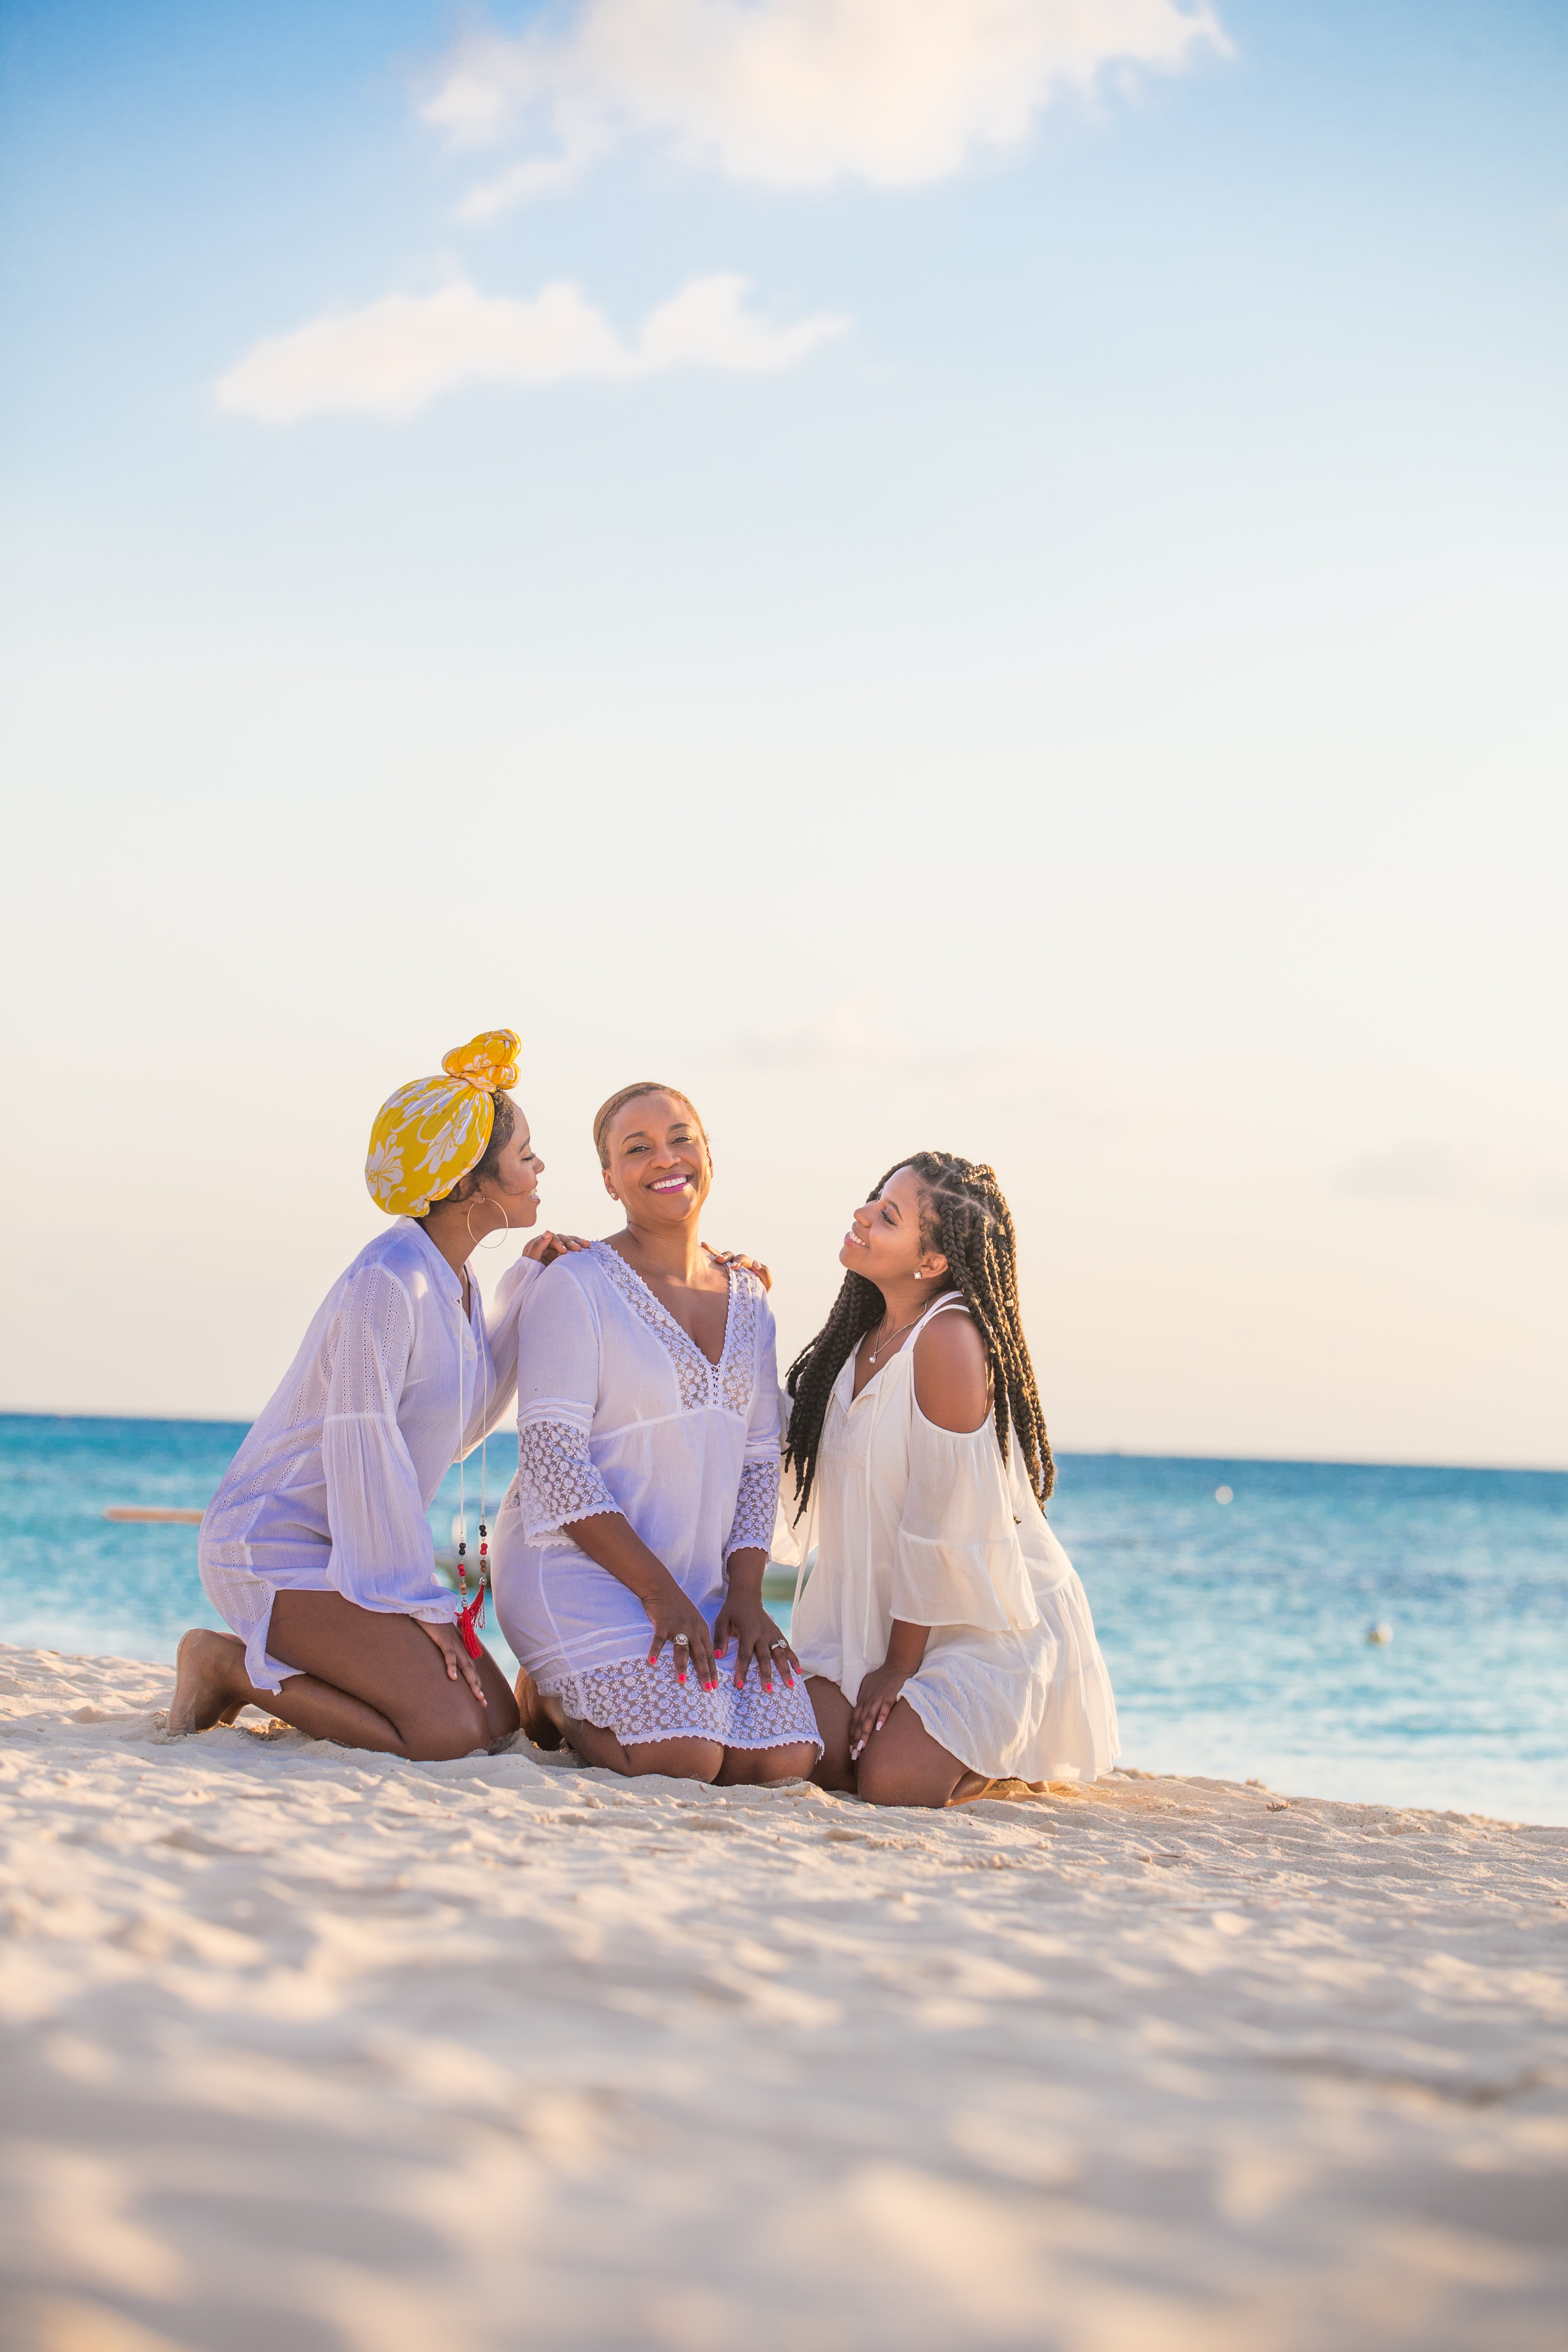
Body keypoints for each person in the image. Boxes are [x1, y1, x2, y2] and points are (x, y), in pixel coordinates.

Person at [169, 1032, 584, 1759]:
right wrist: (410, 1598)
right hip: (271, 1548)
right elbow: (365, 1447)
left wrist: (527, 1284)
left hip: (349, 1549)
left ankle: (283, 1661)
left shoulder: (455, 1280)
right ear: (469, 1186)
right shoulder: (387, 1284)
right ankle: (224, 1664)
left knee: (497, 1727)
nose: (540, 1165)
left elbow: (453, 1429)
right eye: (524, 1155)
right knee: (447, 1734)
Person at [491, 1083, 820, 1783]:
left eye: (681, 1139)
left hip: (700, 1584)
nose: (664, 1159)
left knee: (783, 1760)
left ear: (708, 1153)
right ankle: (547, 1698)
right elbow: (554, 1464)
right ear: (610, 1180)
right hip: (577, 1569)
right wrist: (657, 1594)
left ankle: (616, 1683)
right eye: (636, 1150)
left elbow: (760, 1460)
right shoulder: (575, 1285)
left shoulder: (750, 1299)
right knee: (684, 1758)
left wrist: (746, 1595)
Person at [780, 1152, 1118, 1808]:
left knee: (892, 1781)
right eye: (874, 1198)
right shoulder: (860, 1336)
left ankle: (1005, 1752)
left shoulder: (949, 1340)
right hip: (864, 1623)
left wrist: (900, 1670)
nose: (862, 1215)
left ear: (932, 1263)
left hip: (977, 1626)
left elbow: (941, 1521)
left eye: (888, 1215)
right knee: (807, 1759)